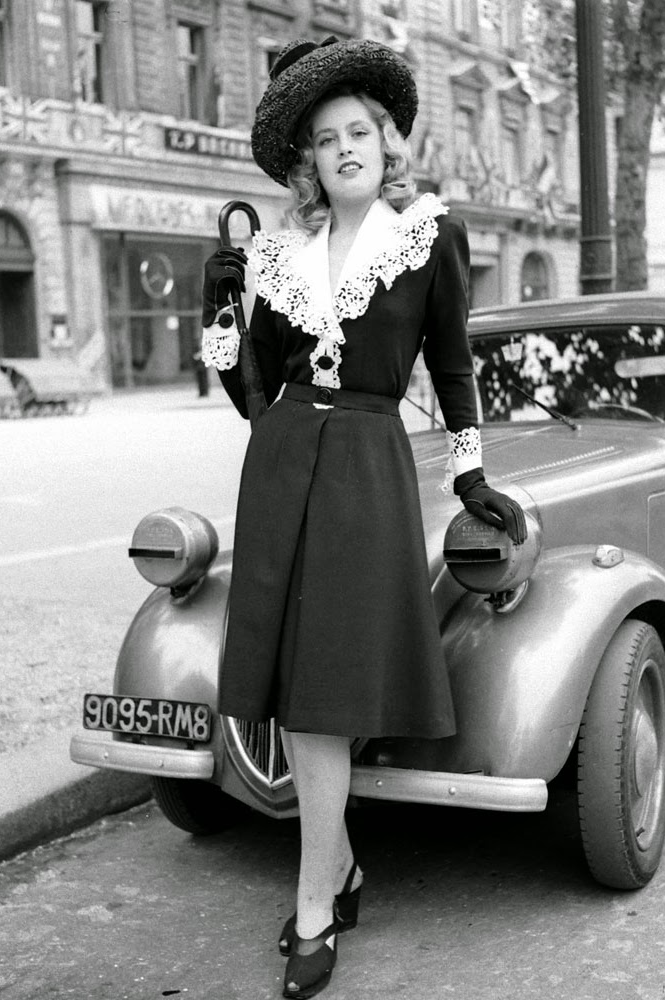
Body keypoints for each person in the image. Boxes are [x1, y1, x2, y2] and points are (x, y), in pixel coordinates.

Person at [200, 37, 526, 999]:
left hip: (367, 469)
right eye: (327, 138)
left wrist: (470, 478)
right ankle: (332, 875)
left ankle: (315, 902)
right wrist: (223, 309)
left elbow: (455, 366)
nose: (346, 148)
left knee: (331, 689)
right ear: (306, 160)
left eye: (361, 132)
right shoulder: (276, 253)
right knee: (300, 692)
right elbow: (250, 392)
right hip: (281, 459)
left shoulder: (427, 236)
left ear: (387, 146)